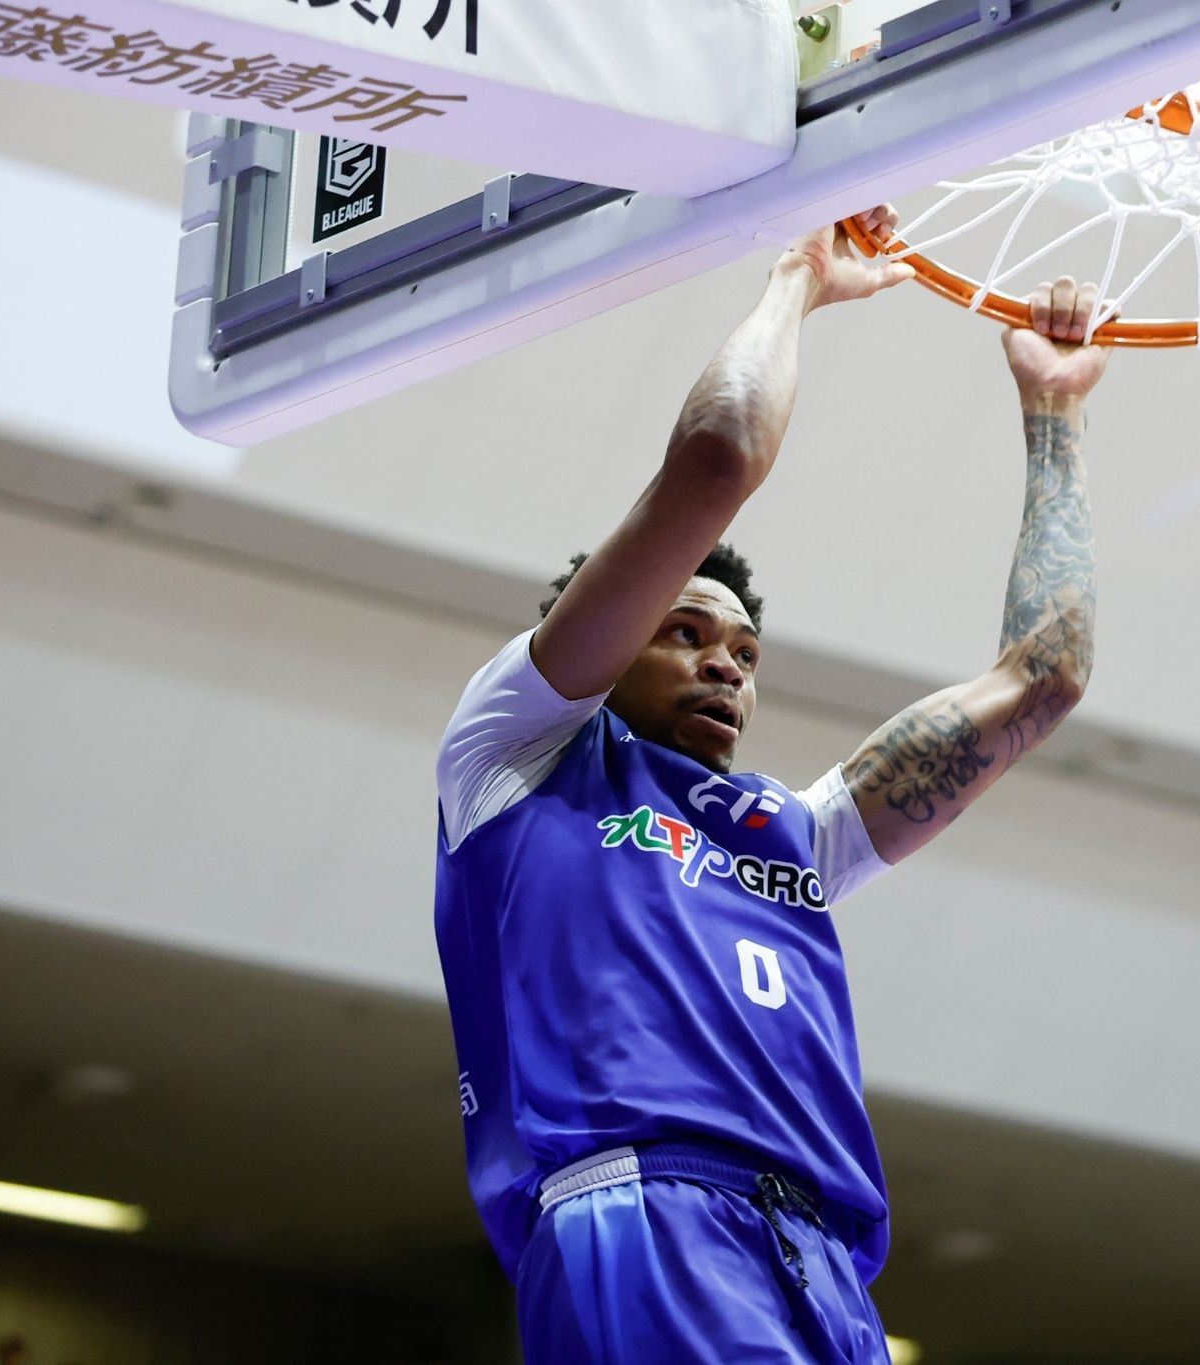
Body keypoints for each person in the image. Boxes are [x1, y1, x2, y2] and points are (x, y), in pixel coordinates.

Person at [433, 205, 1109, 1363]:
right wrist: (798, 278)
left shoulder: (796, 834)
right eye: (685, 633)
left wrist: (1054, 411)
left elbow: (1043, 680)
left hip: (821, 1263)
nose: (725, 667)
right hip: (645, 1218)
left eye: (745, 654)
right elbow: (717, 458)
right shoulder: (519, 753)